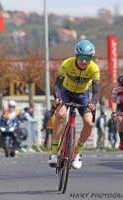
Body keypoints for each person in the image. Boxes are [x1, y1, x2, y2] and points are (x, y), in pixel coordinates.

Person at [48, 39, 100, 170]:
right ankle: (54, 154)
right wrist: (58, 98)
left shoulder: (94, 68)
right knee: (60, 115)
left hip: (82, 95)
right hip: (66, 92)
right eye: (81, 57)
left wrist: (93, 102)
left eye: (88, 58)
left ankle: (77, 153)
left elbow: (97, 91)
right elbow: (57, 85)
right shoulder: (67, 64)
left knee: (89, 123)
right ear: (76, 56)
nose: (84, 61)